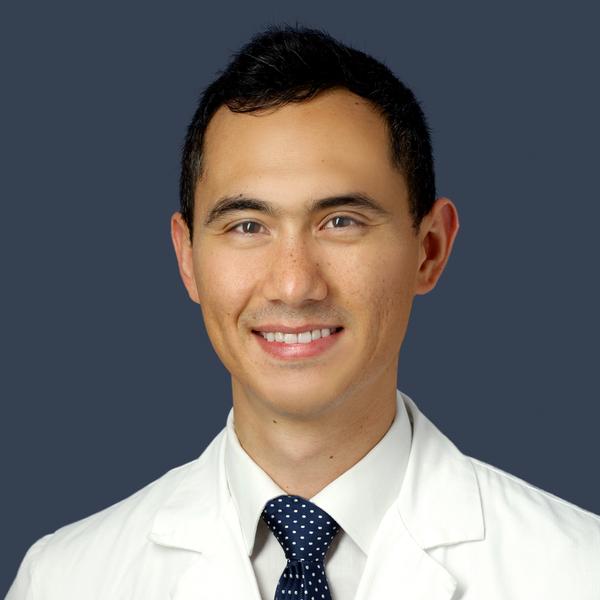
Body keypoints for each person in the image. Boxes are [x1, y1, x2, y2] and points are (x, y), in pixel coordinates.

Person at [6, 24, 600, 600]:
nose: (294, 285)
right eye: (247, 226)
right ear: (187, 259)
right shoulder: (65, 581)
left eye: (341, 222)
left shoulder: (580, 572)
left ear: (429, 249)